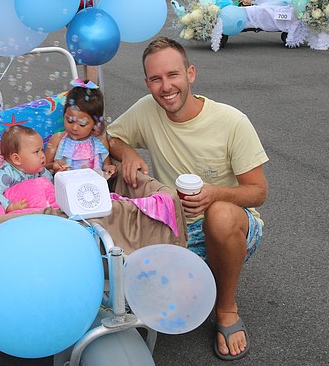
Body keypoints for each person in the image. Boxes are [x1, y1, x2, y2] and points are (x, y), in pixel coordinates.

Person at [106, 36, 268, 360]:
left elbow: (258, 192)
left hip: (231, 224)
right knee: (141, 296)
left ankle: (226, 308)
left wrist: (215, 195)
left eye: (173, 75)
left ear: (190, 73)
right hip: (172, 228)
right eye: (156, 79)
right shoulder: (147, 109)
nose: (166, 86)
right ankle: (196, 275)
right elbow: (110, 135)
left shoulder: (231, 121)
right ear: (147, 82)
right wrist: (127, 154)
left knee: (219, 215)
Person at [45, 80, 117, 179]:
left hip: (91, 189)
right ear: (64, 114)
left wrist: (111, 169)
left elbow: (105, 167)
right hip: (63, 189)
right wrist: (52, 167)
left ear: (95, 123)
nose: (74, 128)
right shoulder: (57, 140)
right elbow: (42, 169)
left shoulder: (99, 142)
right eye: (69, 120)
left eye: (82, 124)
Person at [0, 125, 54, 213]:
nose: (42, 156)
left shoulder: (40, 170)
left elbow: (51, 188)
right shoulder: (7, 173)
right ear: (17, 159)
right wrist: (9, 206)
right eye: (36, 151)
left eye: (42, 150)